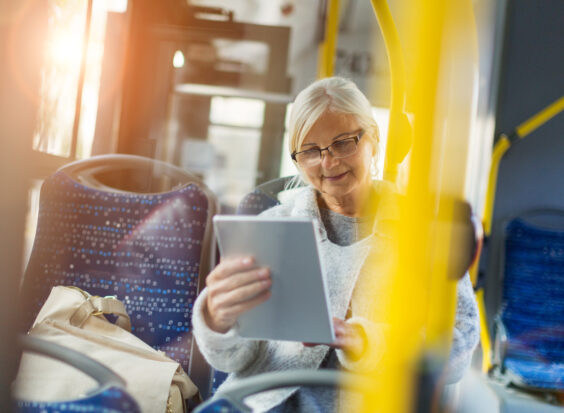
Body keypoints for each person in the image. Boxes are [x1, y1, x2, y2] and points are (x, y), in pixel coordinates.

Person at [192, 77, 480, 412]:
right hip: (267, 401)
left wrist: (373, 343)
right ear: (298, 161)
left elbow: (458, 345)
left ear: (373, 139)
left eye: (343, 143)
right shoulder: (273, 226)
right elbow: (233, 358)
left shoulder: (421, 230)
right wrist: (217, 319)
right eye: (311, 151)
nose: (328, 162)